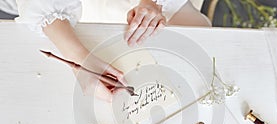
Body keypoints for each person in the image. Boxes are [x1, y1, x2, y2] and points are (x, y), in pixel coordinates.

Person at [15, 0, 211, 101]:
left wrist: (152, 2)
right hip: (75, 11)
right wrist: (79, 59)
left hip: (155, 6)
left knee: (199, 51)